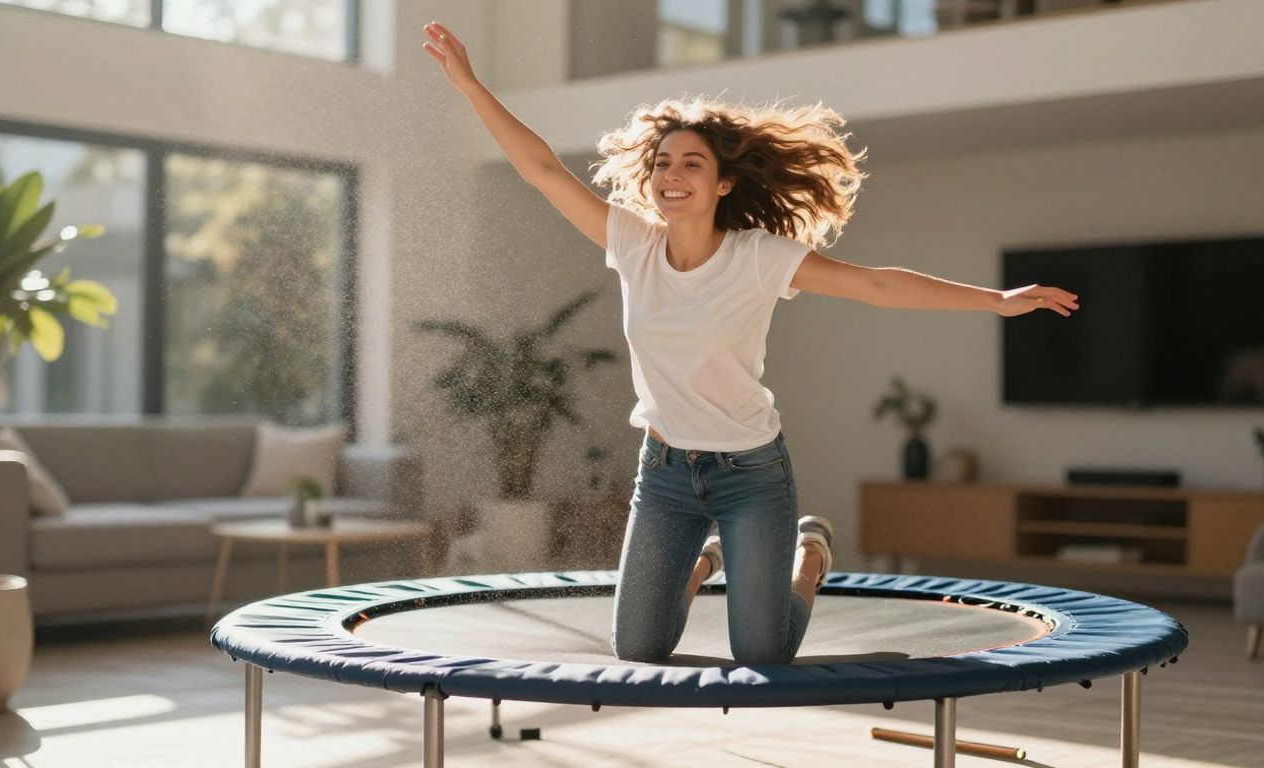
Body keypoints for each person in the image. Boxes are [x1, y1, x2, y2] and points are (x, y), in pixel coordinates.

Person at [421, 21, 1079, 664]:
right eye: (662, 162)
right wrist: (471, 85)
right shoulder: (632, 244)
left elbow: (876, 285)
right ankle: (705, 562)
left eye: (692, 163)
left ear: (723, 183)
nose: (672, 174)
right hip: (665, 472)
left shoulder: (757, 257)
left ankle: (809, 557)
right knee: (639, 647)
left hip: (751, 474)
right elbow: (542, 169)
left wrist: (995, 300)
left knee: (763, 651)